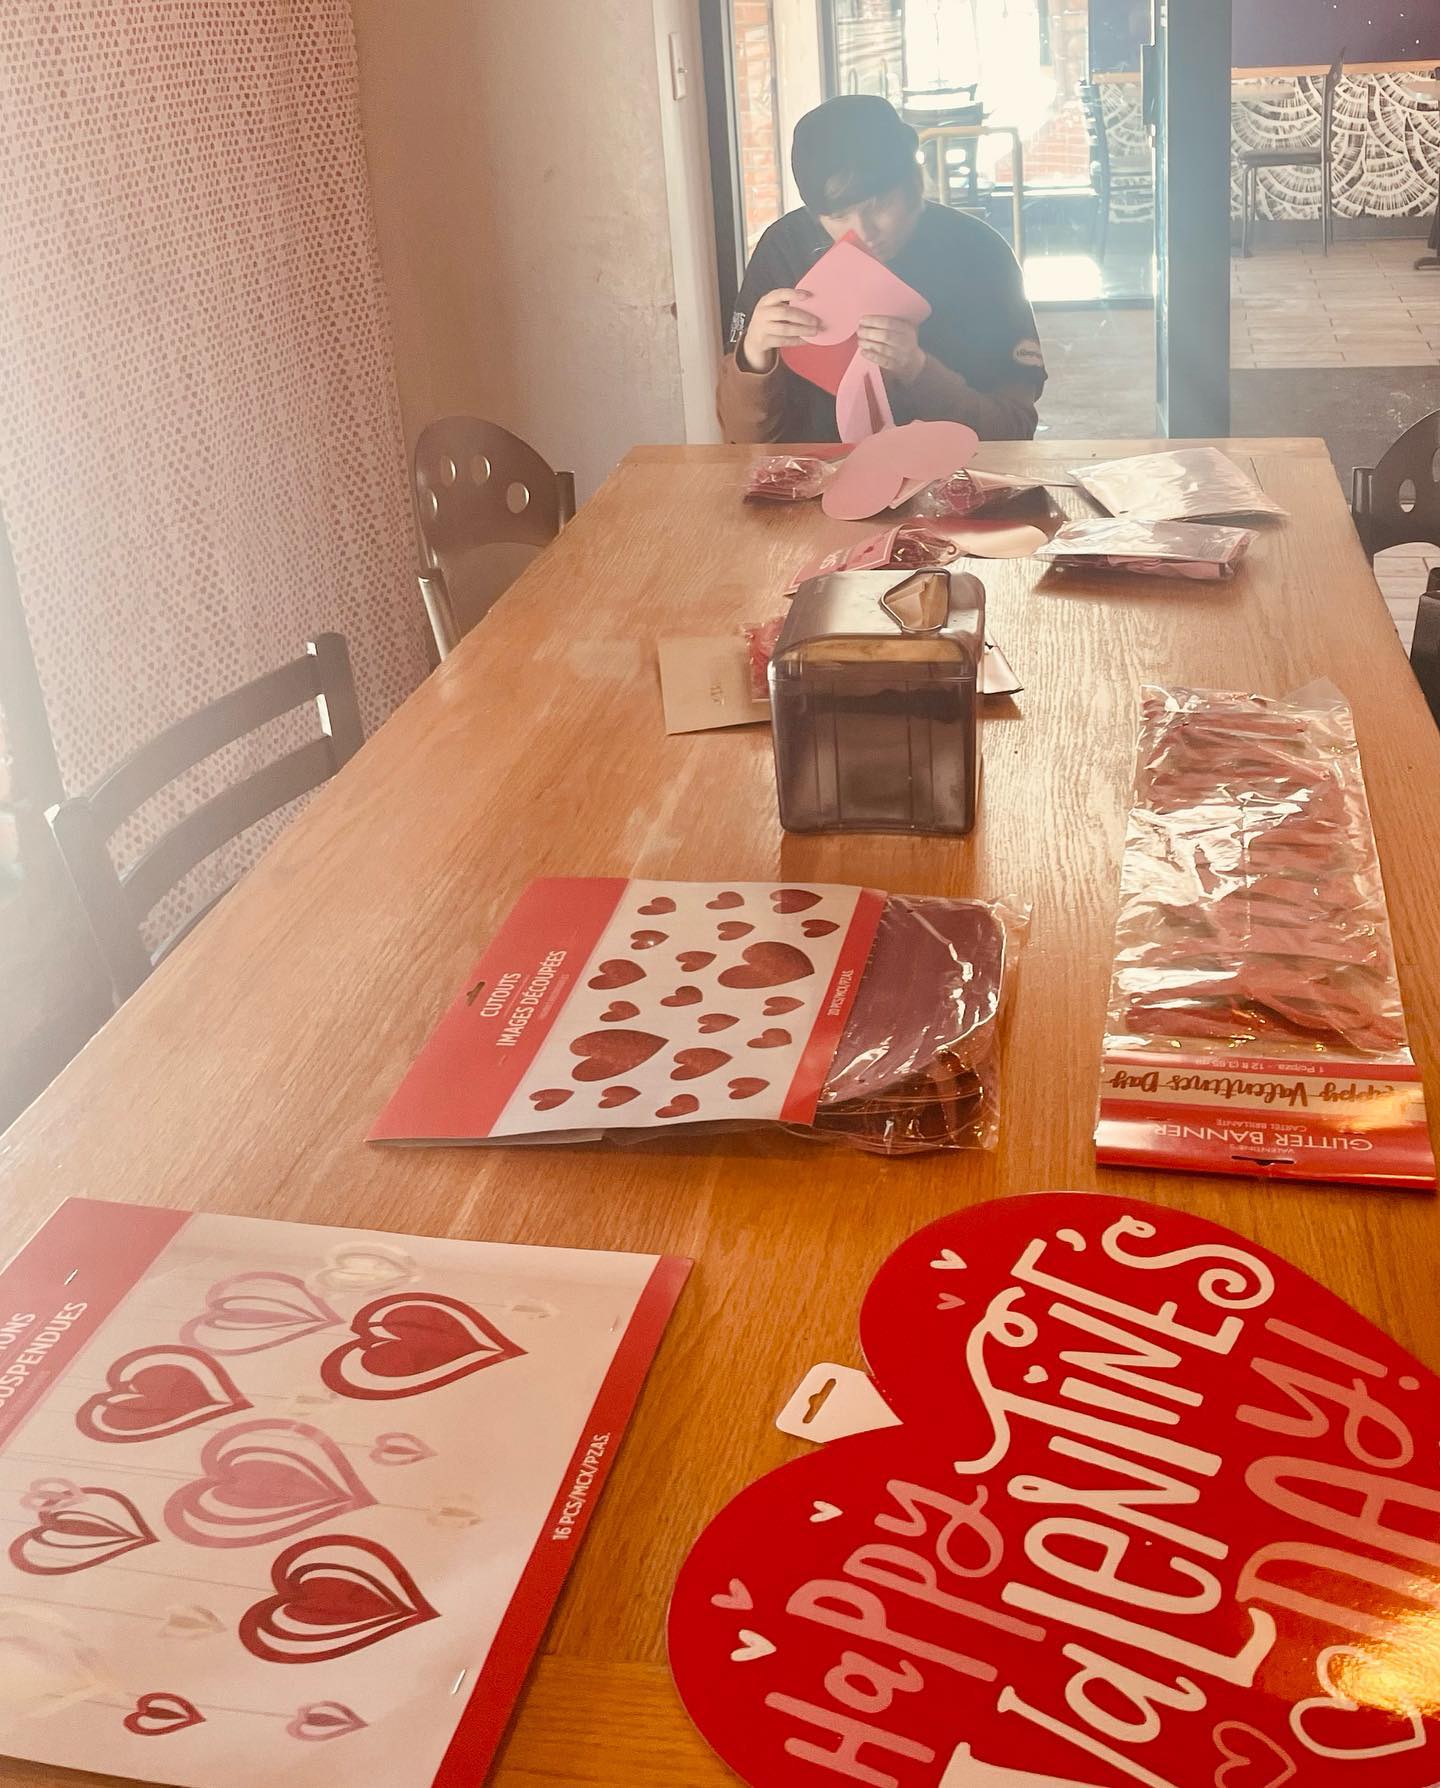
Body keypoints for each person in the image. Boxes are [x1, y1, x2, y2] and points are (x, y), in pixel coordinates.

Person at [718, 94, 1046, 444]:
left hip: (950, 469)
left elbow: (1014, 431)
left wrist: (919, 370)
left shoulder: (980, 251)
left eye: (879, 205)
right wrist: (753, 358)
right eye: (838, 216)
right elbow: (741, 440)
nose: (863, 231)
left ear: (915, 183)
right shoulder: (785, 248)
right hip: (816, 471)